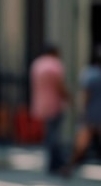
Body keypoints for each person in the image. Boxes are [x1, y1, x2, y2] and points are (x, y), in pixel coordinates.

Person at [29, 44, 70, 174]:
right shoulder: (55, 65)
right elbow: (60, 86)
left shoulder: (37, 64)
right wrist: (69, 98)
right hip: (54, 104)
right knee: (54, 135)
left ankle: (54, 161)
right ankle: (55, 162)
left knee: (49, 134)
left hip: (41, 104)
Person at [61, 49, 101, 176]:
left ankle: (68, 168)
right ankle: (68, 168)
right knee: (80, 145)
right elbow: (85, 95)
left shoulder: (89, 73)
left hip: (91, 115)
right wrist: (82, 111)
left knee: (80, 145)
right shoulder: (91, 74)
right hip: (91, 115)